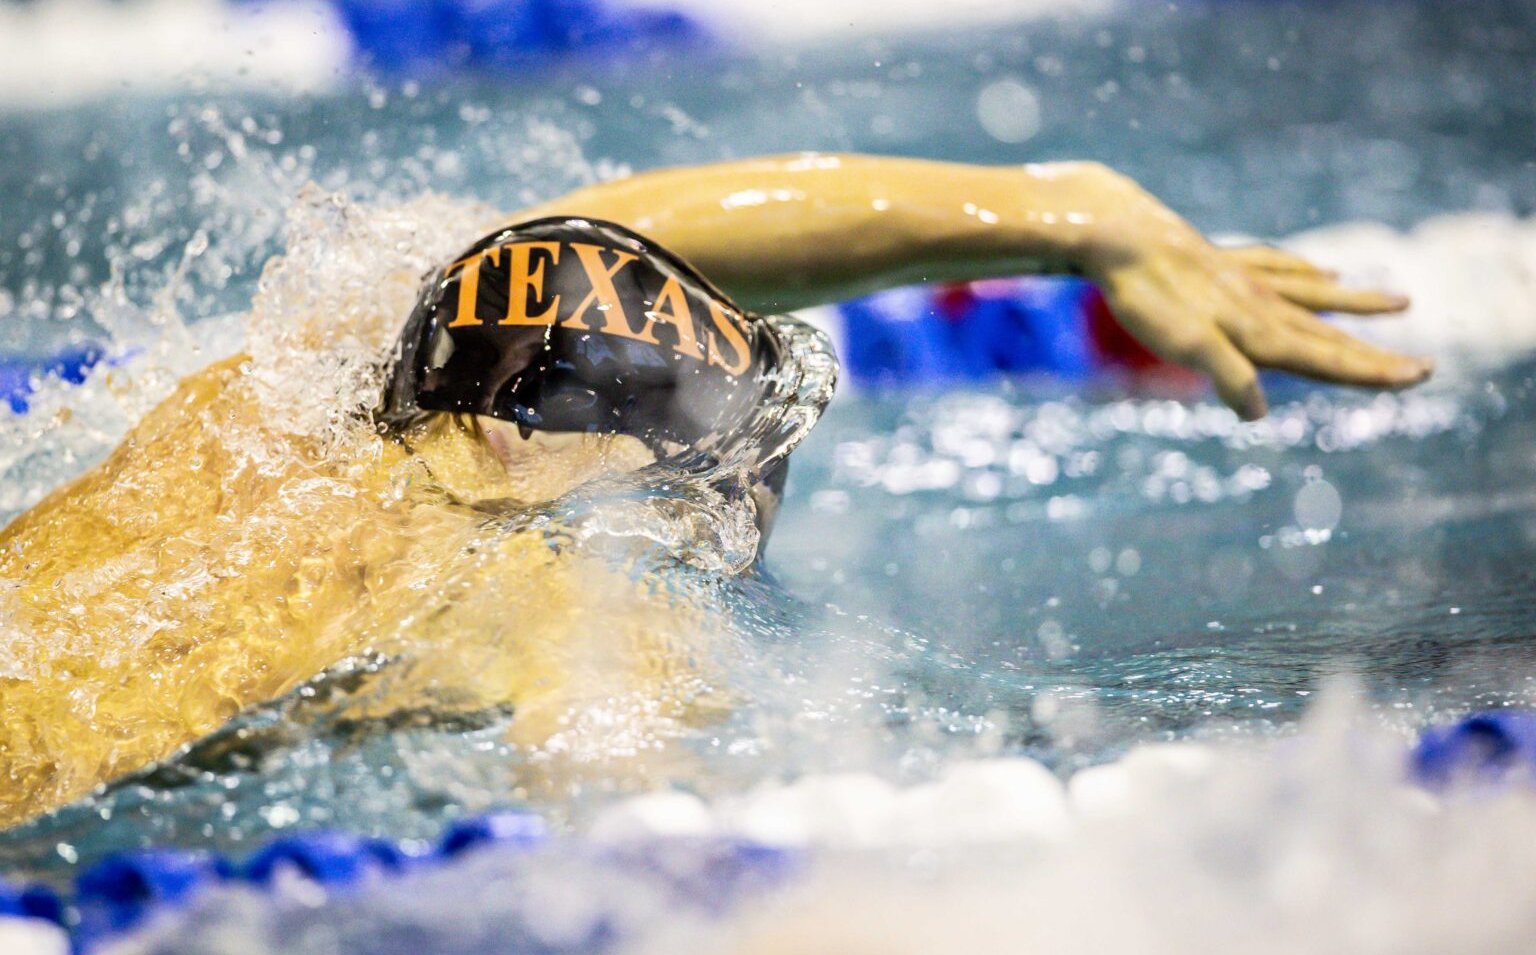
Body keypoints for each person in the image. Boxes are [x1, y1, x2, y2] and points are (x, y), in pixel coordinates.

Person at [0, 155, 1429, 827]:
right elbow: (638, 860)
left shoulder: (272, 400)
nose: (672, 505)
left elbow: (572, 249)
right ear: (535, 447)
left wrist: (1075, 216)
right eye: (667, 466)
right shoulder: (530, 597)